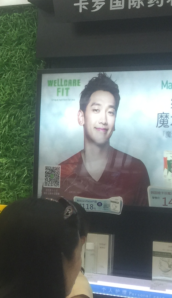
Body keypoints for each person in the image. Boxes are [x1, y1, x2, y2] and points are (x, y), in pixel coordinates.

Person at [57, 73, 150, 206]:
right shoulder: (61, 172)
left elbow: (146, 218)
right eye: (96, 110)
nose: (104, 120)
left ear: (115, 121)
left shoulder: (136, 169)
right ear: (81, 117)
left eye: (110, 112)